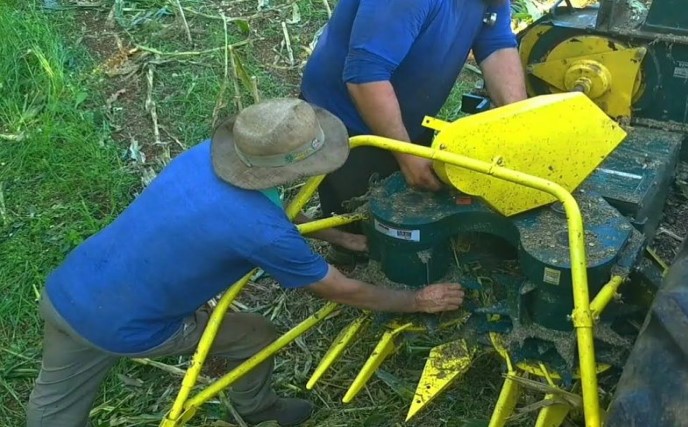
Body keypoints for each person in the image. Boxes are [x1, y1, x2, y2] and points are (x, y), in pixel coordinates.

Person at [26, 98, 465, 427]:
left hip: (68, 289)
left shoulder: (204, 158)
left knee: (55, 401)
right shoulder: (260, 230)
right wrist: (415, 301)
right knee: (255, 335)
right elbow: (335, 287)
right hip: (128, 328)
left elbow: (260, 216)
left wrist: (334, 233)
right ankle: (260, 411)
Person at [299, 0, 528, 243]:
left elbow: (497, 46)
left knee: (421, 212)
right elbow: (365, 78)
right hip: (345, 117)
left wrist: (520, 124)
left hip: (406, 111)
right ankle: (345, 253)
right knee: (369, 226)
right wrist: (406, 155)